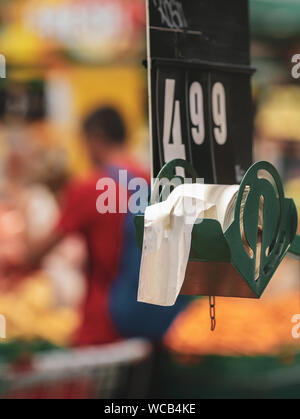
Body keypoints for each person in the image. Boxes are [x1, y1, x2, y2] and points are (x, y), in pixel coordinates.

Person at [7, 107, 190, 346]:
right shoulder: (154, 183)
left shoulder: (89, 189)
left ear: (94, 139)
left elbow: (35, 255)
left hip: (104, 323)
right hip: (155, 321)